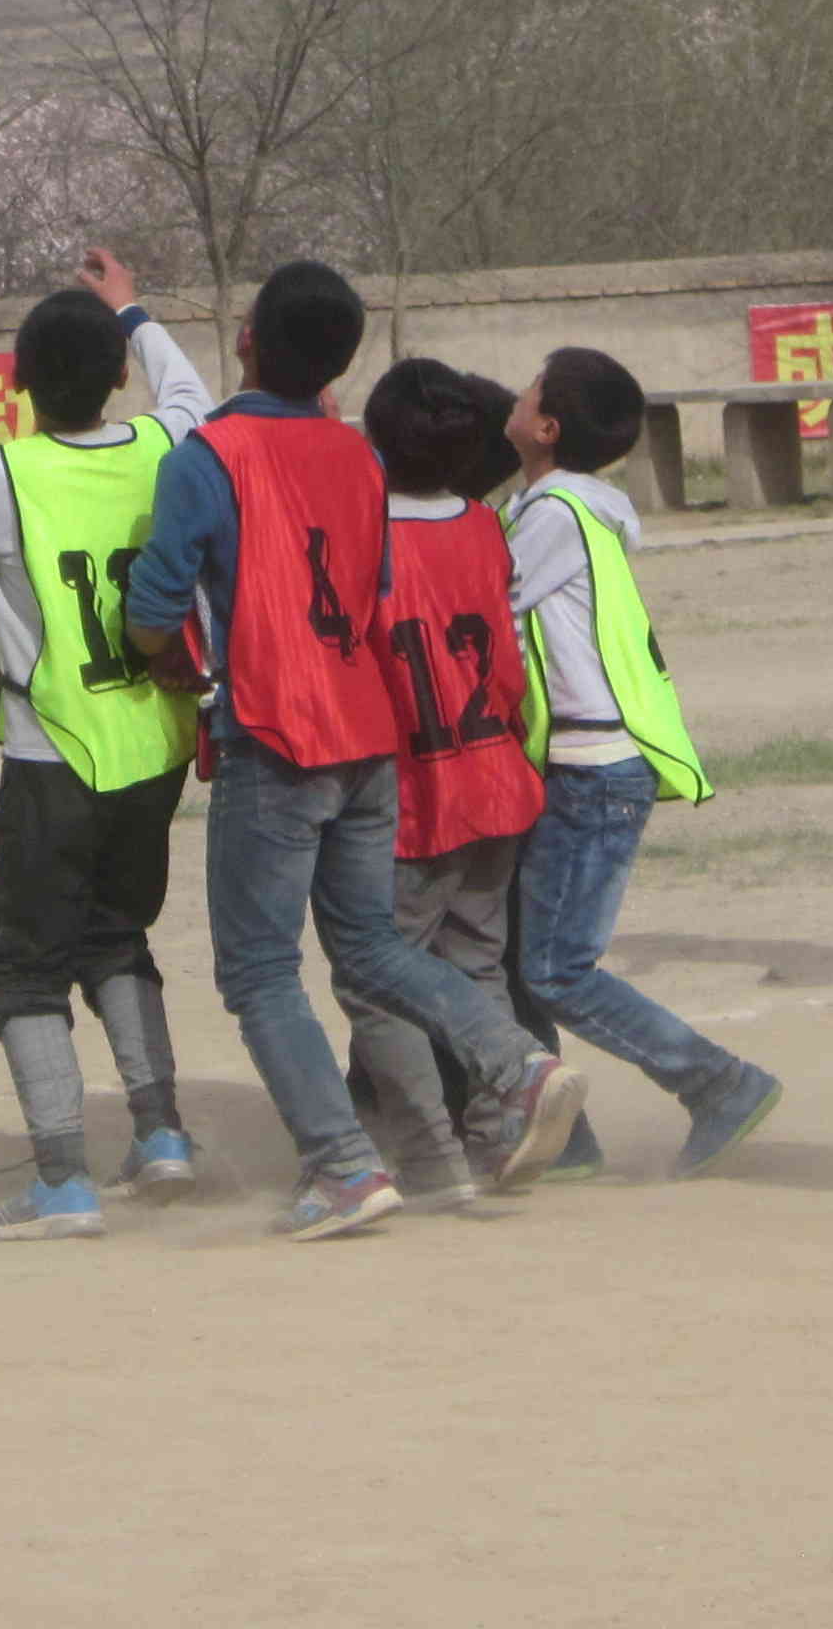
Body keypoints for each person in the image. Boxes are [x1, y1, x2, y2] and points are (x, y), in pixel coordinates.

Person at [122, 259, 587, 1241]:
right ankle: (514, 1060)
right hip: (368, 732)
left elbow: (155, 603)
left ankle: (342, 1163)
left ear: (247, 338)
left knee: (258, 969)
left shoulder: (208, 455)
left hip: (275, 734)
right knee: (371, 944)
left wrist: (162, 653)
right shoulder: (358, 459)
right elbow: (370, 587)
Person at [0, 246, 214, 1244]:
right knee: (117, 934)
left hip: (51, 752)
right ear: (118, 376)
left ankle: (62, 1179)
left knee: (22, 964)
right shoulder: (163, 444)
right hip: (153, 744)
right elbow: (189, 392)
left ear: (15, 385)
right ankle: (161, 1133)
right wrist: (133, 309)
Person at [501, 345, 787, 1179]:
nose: (516, 395)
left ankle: (717, 1082)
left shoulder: (555, 515)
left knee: (555, 970)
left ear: (548, 428)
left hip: (593, 767)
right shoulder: (559, 506)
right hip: (580, 764)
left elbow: (481, 606)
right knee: (523, 958)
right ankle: (563, 1137)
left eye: (530, 389)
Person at [336, 359, 543, 1210]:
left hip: (417, 792)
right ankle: (497, 1135)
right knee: (477, 962)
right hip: (494, 772)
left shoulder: (362, 534)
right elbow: (507, 664)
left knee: (378, 977)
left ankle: (428, 1156)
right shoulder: (486, 525)